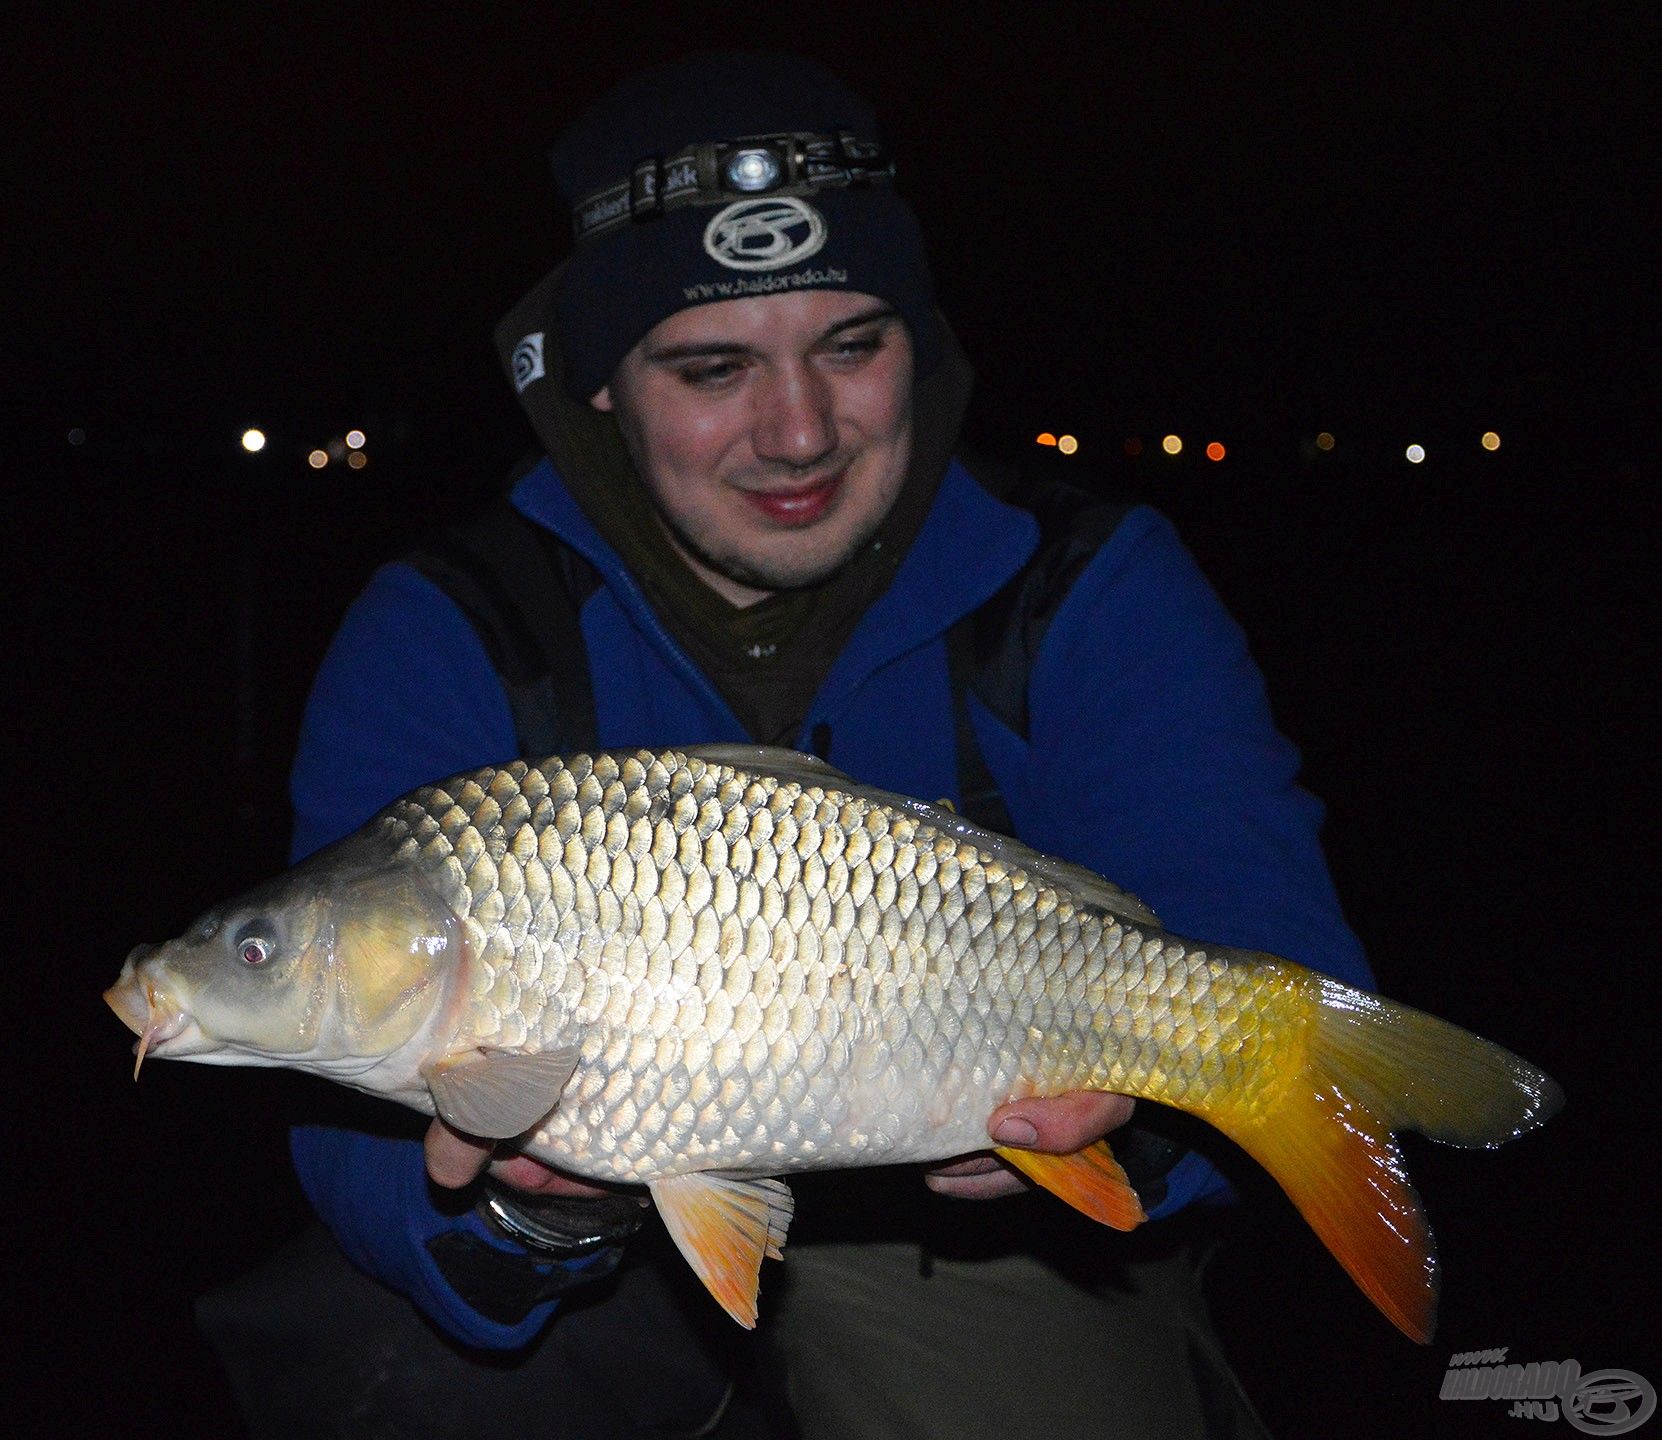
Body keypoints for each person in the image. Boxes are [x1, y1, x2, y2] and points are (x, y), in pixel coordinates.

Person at [204, 50, 1372, 1440]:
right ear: (595, 387)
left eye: (852, 346)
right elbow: (349, 1120)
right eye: (712, 367)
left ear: (918, 345)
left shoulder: (1085, 578)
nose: (799, 430)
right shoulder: (450, 624)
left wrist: (1144, 1126)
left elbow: (1250, 920)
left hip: (974, 1243)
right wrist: (524, 1214)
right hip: (607, 1265)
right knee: (375, 1367)